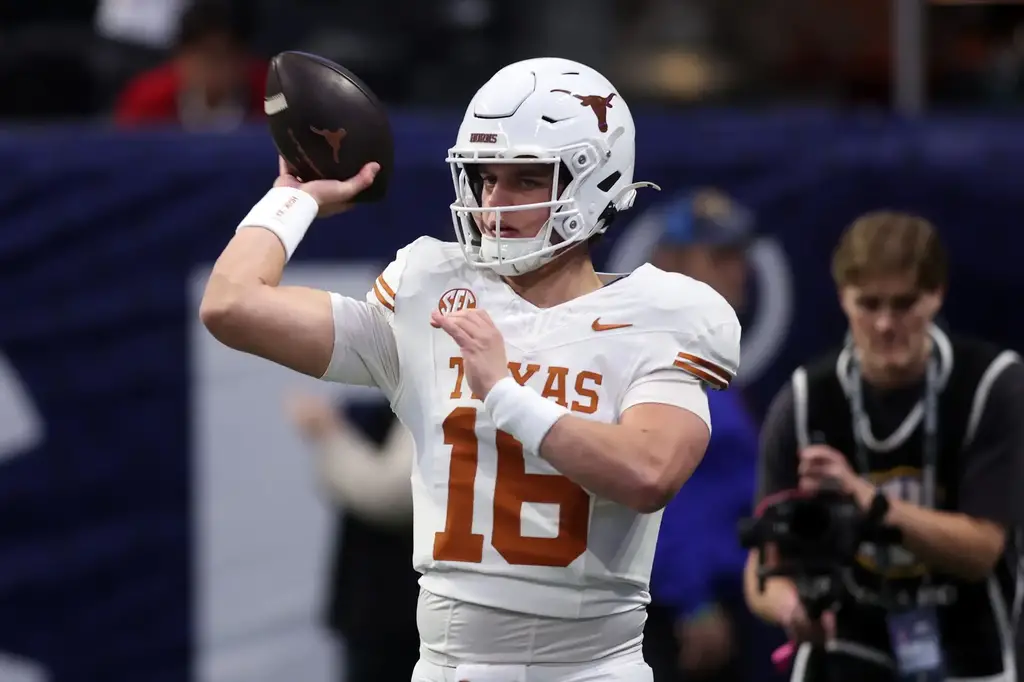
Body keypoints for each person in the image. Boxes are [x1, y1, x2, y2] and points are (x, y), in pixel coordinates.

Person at [200, 57, 742, 682]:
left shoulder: (656, 315)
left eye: (526, 180)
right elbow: (230, 305)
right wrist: (289, 201)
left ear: (596, 179)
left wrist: (507, 394)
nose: (494, 203)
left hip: (589, 669)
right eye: (486, 178)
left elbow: (648, 473)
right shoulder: (433, 291)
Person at [744, 211, 1024, 682]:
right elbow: (762, 564)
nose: (885, 324)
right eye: (868, 304)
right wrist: (790, 607)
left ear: (936, 295)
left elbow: (981, 550)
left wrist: (864, 498)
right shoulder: (806, 400)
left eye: (904, 303)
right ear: (842, 299)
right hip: (846, 641)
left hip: (971, 646)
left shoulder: (990, 386)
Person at [639, 190, 774, 682]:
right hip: (680, 616)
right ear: (669, 263)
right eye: (719, 256)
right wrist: (691, 601)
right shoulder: (657, 360)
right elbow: (649, 492)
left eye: (740, 255)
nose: (737, 269)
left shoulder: (707, 353)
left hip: (735, 599)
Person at [285, 394, 420, 682]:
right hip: (376, 611)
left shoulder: (440, 389)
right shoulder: (392, 399)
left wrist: (329, 434)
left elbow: (391, 496)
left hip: (406, 615)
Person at [114, 0, 266, 130]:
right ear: (180, 58)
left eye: (222, 57)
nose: (212, 69)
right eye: (204, 57)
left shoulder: (271, 96)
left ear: (243, 59)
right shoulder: (147, 101)